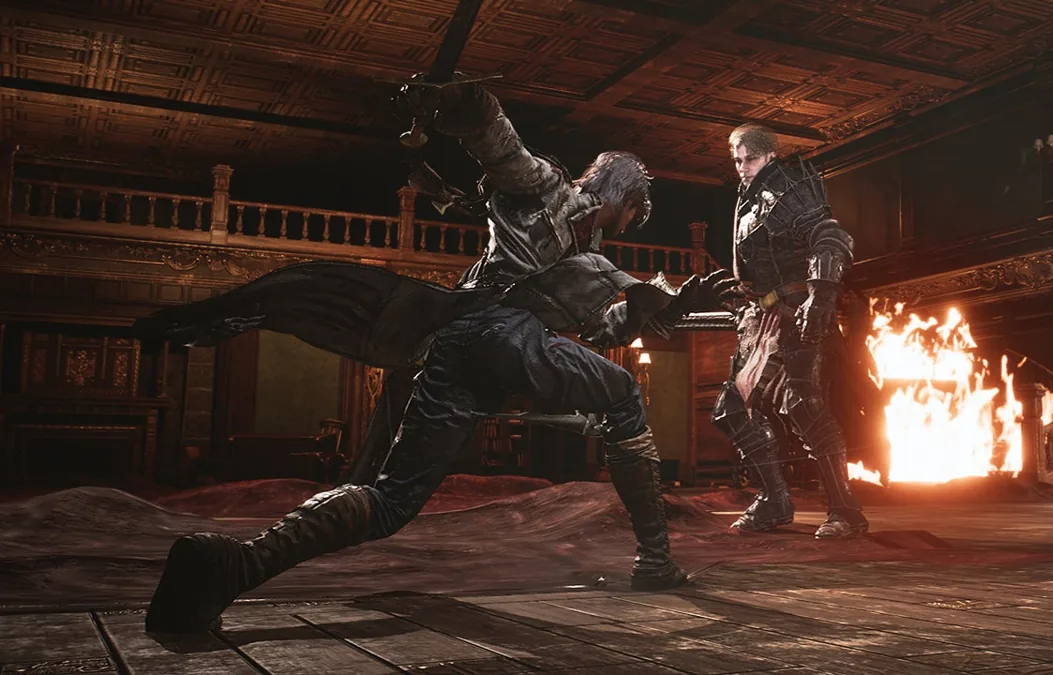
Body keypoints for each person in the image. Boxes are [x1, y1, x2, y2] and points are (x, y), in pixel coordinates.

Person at [141, 76, 711, 634]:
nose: (629, 225)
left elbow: (604, 330)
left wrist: (673, 305)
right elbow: (503, 148)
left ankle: (235, 565)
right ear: (628, 198)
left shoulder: (589, 256)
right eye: (634, 215)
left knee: (391, 501)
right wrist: (461, 100)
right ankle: (655, 560)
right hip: (500, 335)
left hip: (456, 347)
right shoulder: (551, 192)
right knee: (623, 394)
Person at [708, 123, 870, 538]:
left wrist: (820, 296)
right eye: (738, 161)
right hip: (762, 316)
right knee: (731, 409)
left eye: (751, 159)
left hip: (795, 310)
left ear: (770, 155)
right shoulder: (749, 198)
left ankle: (845, 510)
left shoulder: (787, 191)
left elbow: (830, 238)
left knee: (803, 404)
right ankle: (774, 501)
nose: (743, 167)